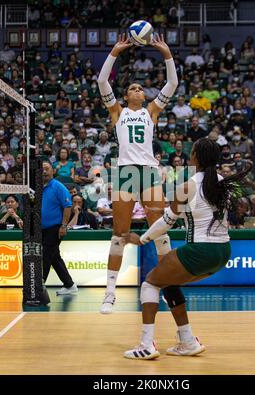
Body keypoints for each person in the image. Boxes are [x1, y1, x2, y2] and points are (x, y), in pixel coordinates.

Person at [121, 138, 251, 359]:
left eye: (192, 153)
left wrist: (141, 239)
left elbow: (166, 222)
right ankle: (188, 340)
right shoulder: (222, 183)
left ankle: (146, 345)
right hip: (223, 251)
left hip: (199, 250)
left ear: (196, 158)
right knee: (168, 282)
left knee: (150, 284)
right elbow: (199, 210)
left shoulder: (187, 186)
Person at [97, 33, 178, 313]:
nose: (137, 89)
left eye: (140, 88)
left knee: (161, 232)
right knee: (120, 233)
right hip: (124, 173)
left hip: (149, 172)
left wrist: (166, 54)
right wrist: (114, 53)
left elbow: (172, 83)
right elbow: (102, 82)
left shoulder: (151, 112)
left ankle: (169, 288)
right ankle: (109, 293)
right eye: (133, 87)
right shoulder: (117, 112)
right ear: (126, 95)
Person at [42, 161, 77, 295]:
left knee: (46, 256)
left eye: (47, 169)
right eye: (42, 169)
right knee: (54, 257)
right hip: (41, 228)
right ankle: (69, 285)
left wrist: (63, 225)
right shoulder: (38, 187)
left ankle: (39, 287)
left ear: (52, 171)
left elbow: (67, 206)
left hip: (55, 228)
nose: (44, 171)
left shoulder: (58, 186)